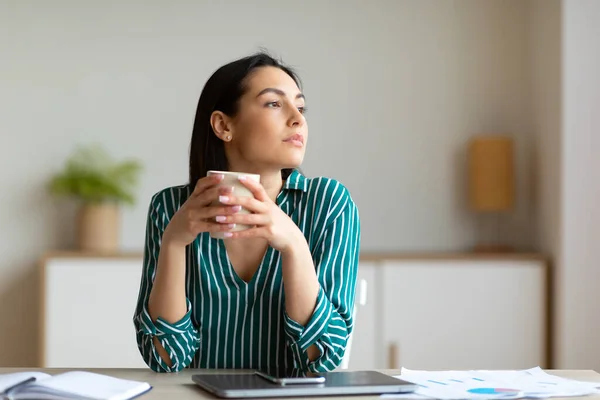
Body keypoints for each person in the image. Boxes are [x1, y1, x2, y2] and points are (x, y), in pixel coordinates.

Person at [133, 51, 361, 373]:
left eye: (301, 106)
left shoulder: (329, 204)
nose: (298, 118)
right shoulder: (169, 209)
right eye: (274, 103)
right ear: (224, 125)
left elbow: (320, 359)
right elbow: (166, 359)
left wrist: (294, 244)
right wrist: (173, 241)